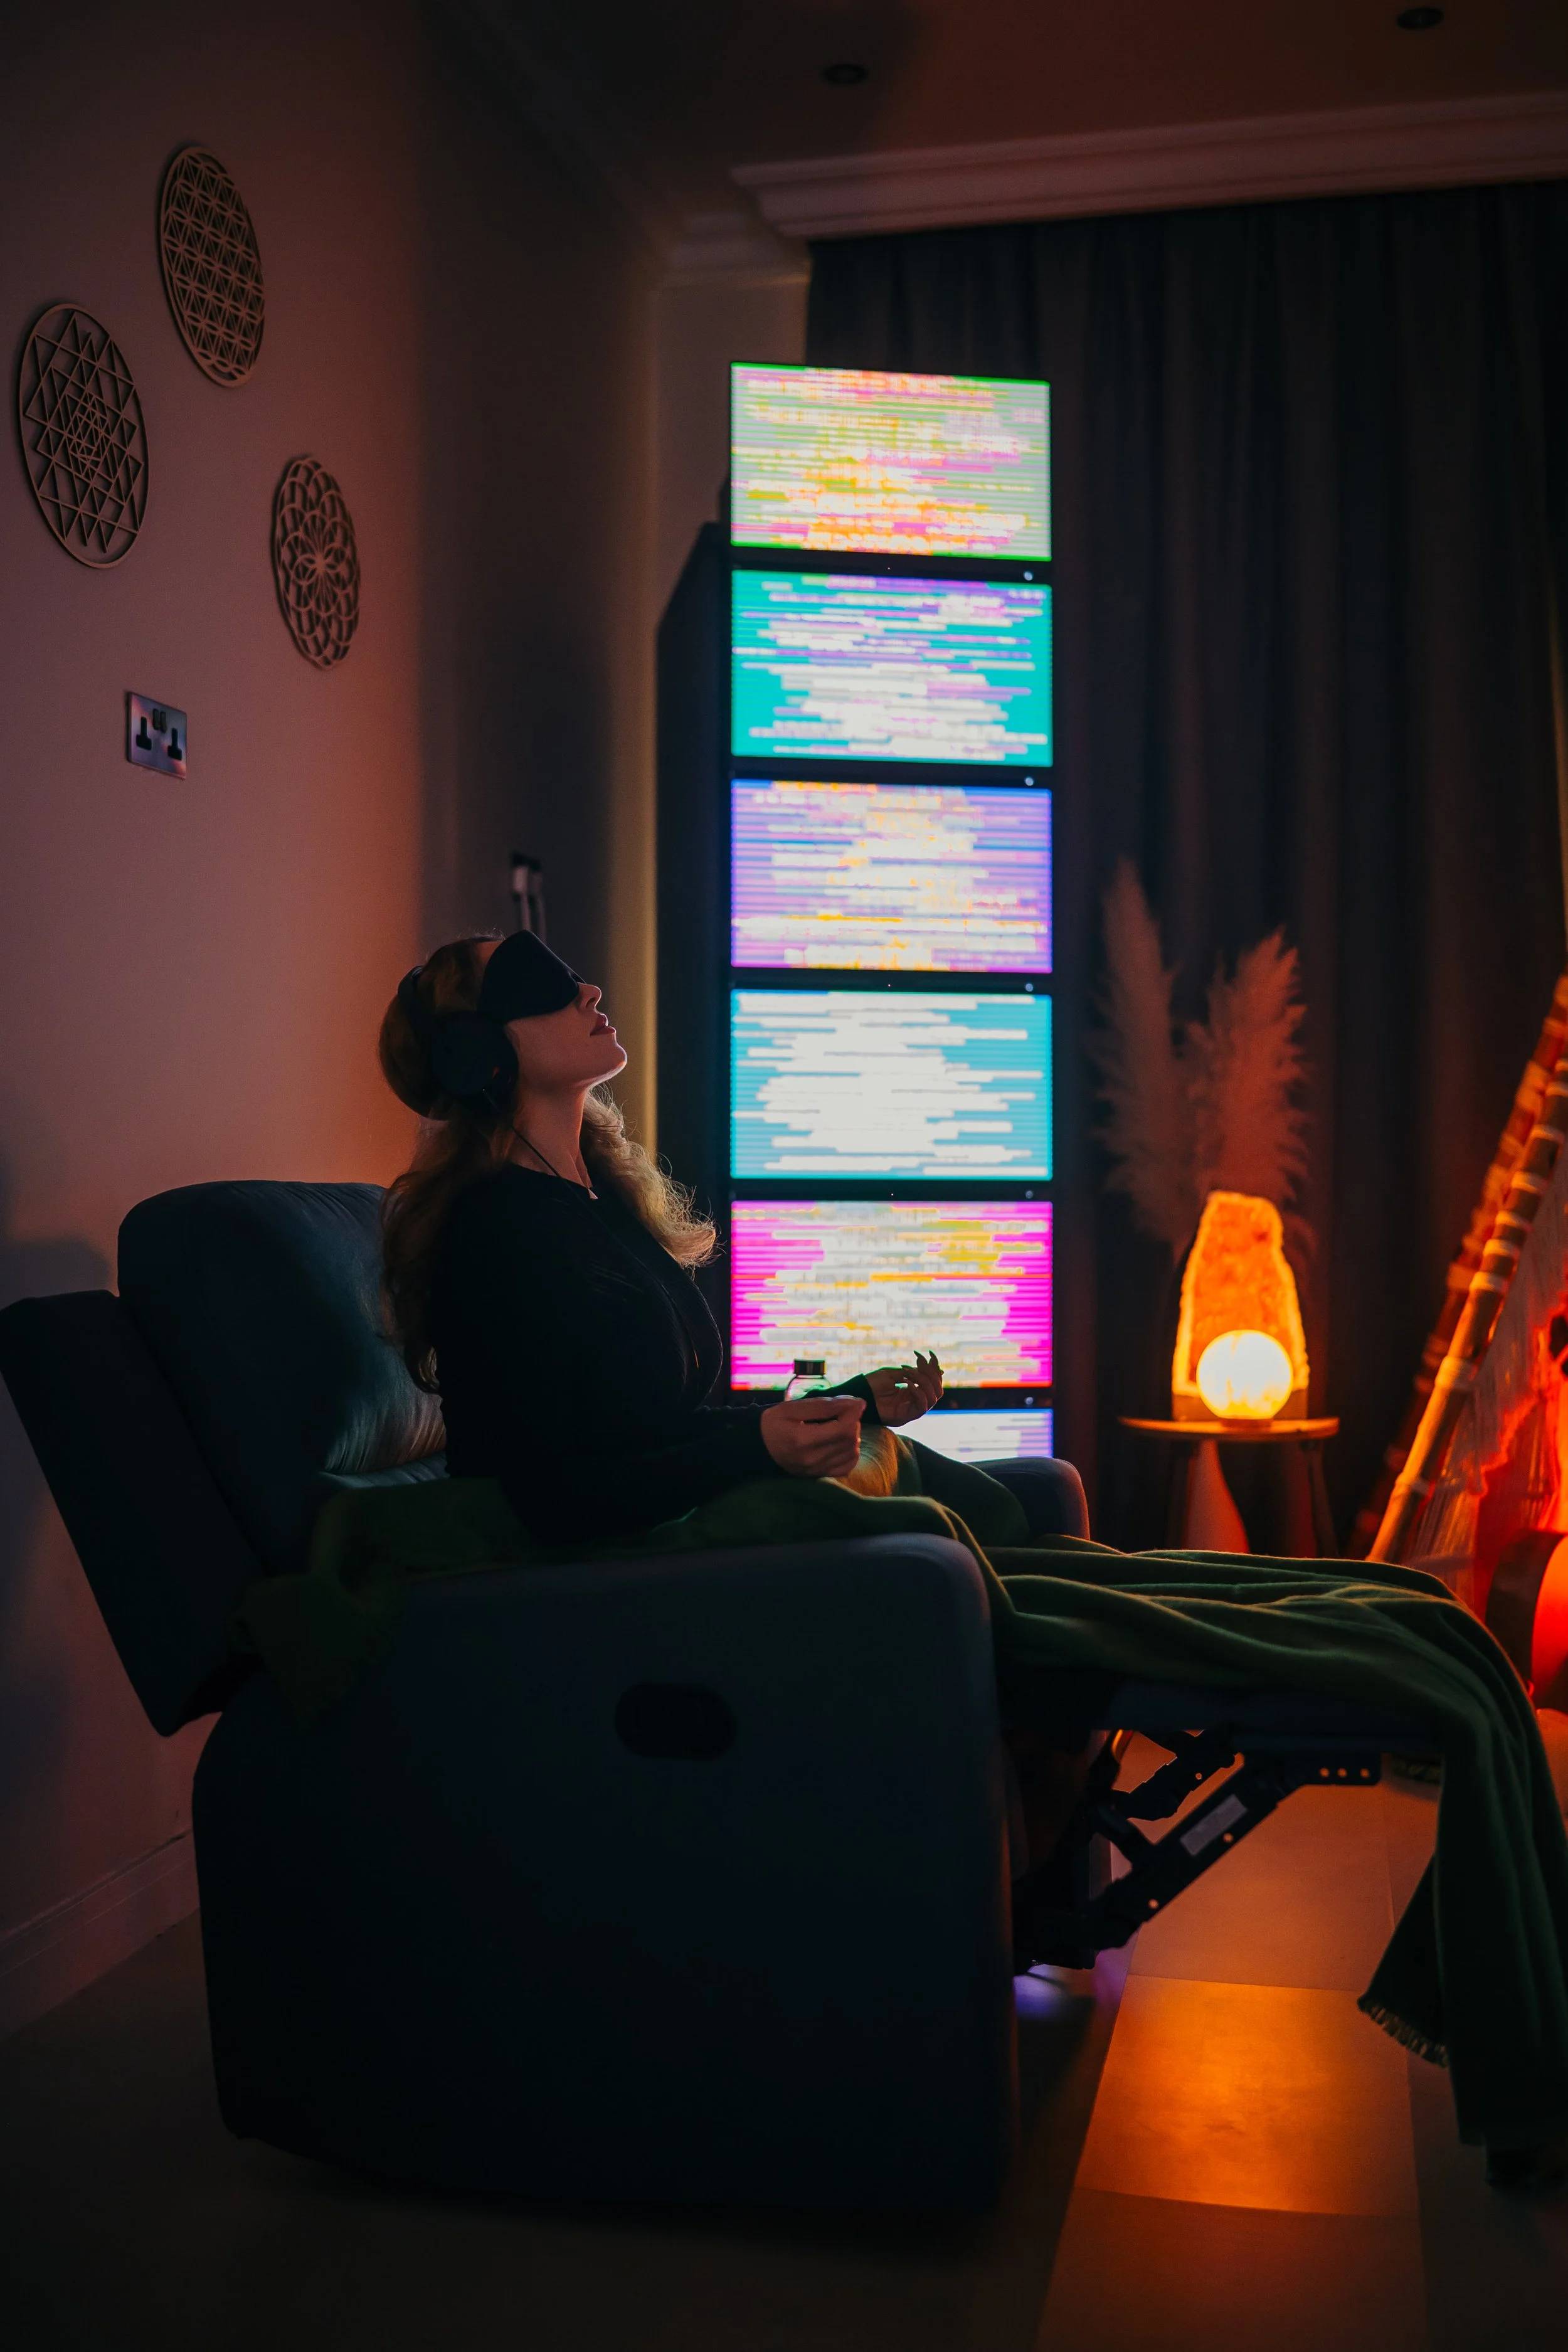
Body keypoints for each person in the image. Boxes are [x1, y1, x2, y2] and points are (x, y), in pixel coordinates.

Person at [378, 928, 945, 1545]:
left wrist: (847, 1403)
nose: (590, 992)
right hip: (590, 1576)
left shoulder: (598, 1198)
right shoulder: (493, 1233)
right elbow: (550, 1499)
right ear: (475, 1053)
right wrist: (755, 1450)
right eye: (540, 985)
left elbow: (654, 1433)